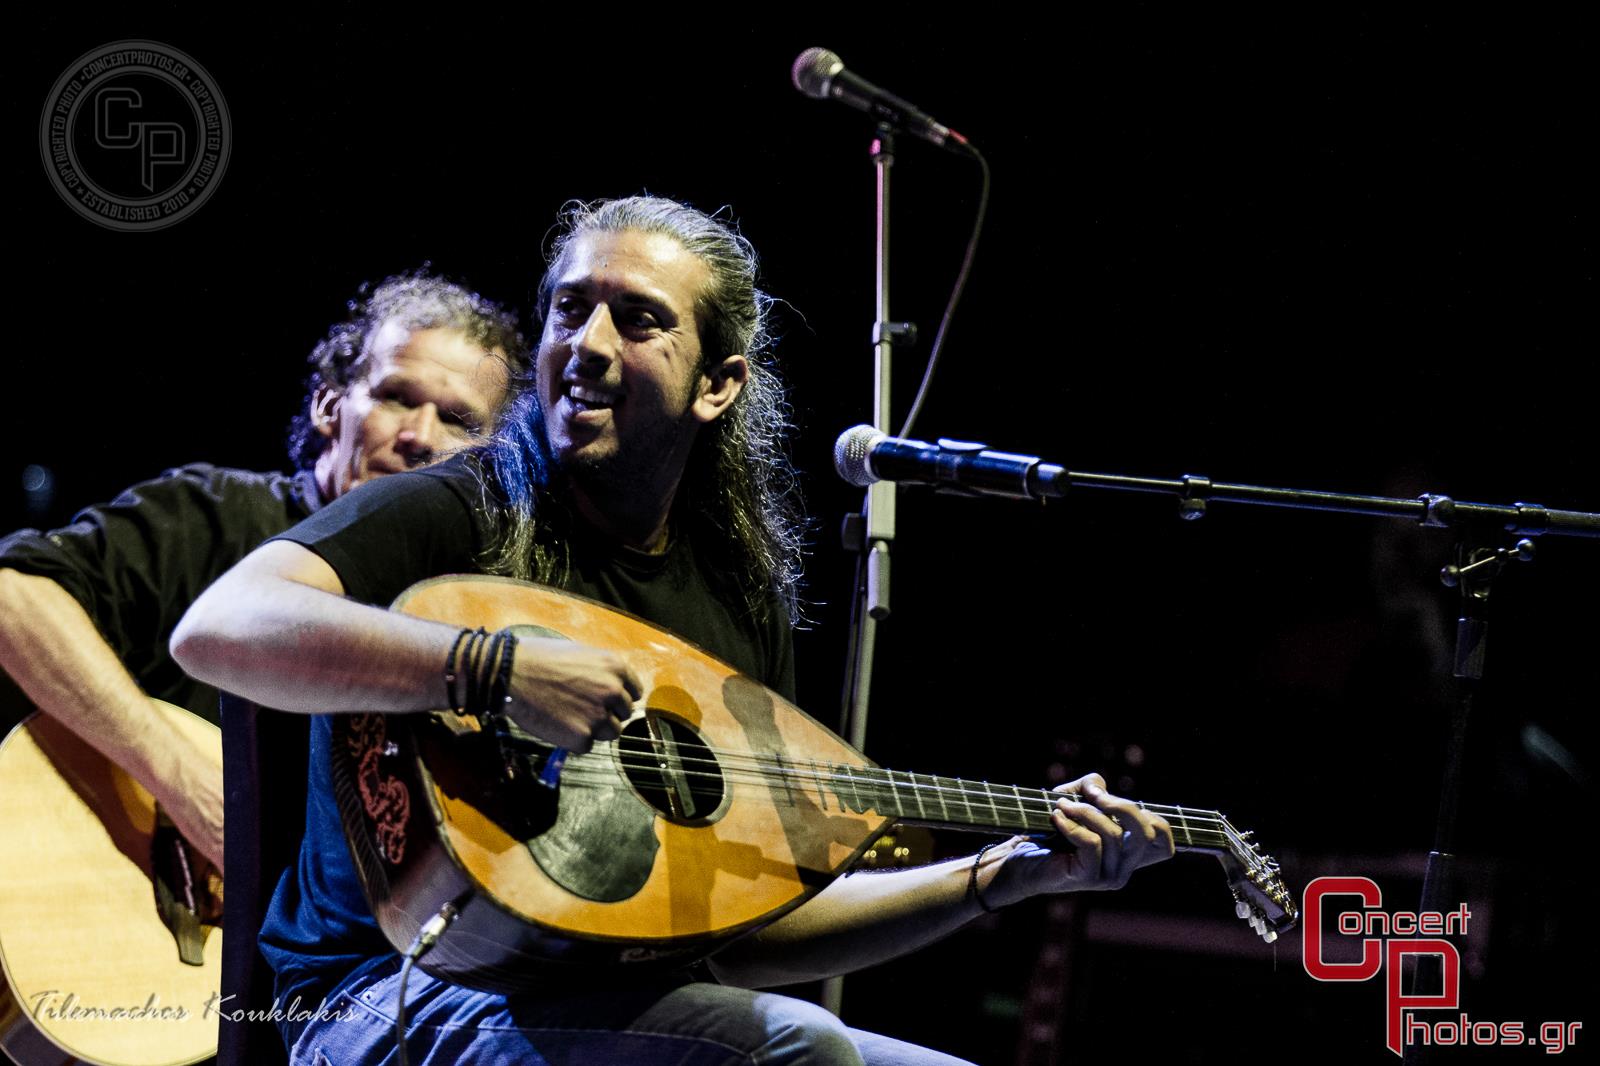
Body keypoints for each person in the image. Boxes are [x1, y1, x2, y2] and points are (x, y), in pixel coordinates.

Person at [172, 197, 1175, 1065]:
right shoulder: (460, 509)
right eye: (570, 308)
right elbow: (219, 627)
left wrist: (1001, 876)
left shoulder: (735, 593)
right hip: (383, 1001)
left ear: (716, 384)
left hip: (615, 999)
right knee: (798, 1050)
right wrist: (492, 668)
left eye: (638, 319)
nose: (587, 343)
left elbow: (748, 926)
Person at [0, 271, 524, 873]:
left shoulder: (474, 613)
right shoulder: (217, 515)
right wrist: (188, 784)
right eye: (398, 397)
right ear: (329, 406)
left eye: (459, 421)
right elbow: (13, 594)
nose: (420, 437)